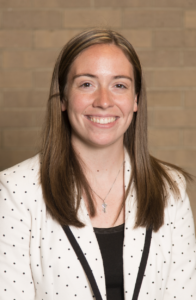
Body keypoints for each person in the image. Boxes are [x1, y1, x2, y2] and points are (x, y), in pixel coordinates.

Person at [0, 29, 195, 300]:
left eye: (119, 85)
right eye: (86, 84)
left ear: (136, 99)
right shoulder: (15, 191)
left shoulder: (170, 189)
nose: (104, 101)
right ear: (64, 98)